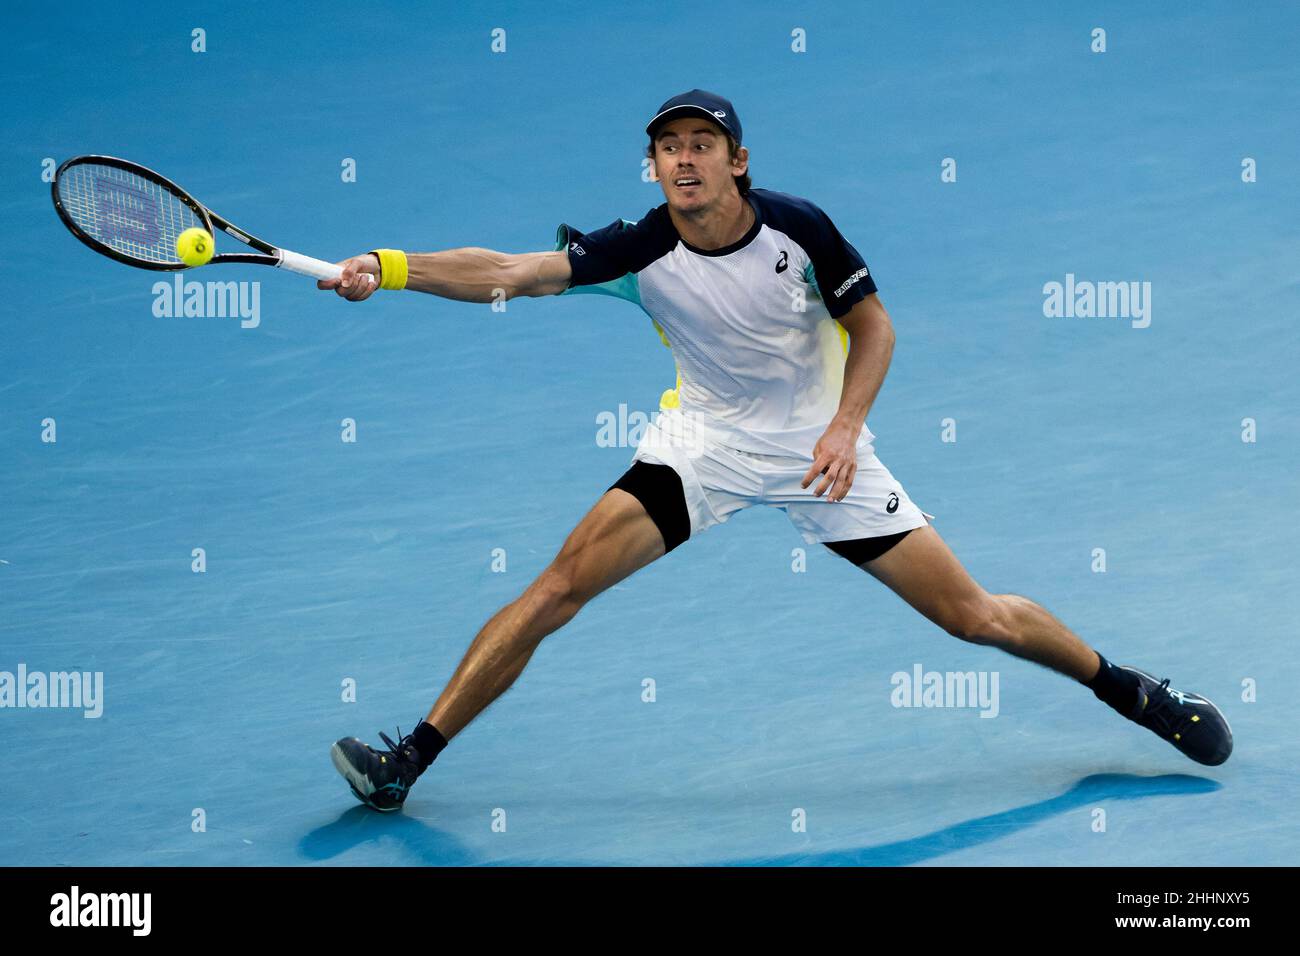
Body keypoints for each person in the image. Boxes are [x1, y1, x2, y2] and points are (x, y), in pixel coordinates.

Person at [321, 89, 1232, 813]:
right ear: (655, 165)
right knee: (558, 588)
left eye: (701, 143)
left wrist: (842, 428)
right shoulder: (637, 247)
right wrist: (387, 265)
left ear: (737, 162)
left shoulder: (801, 229)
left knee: (973, 618)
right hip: (703, 447)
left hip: (818, 452)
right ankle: (408, 761)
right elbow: (510, 272)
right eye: (668, 146)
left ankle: (1125, 689)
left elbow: (873, 329)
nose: (683, 157)